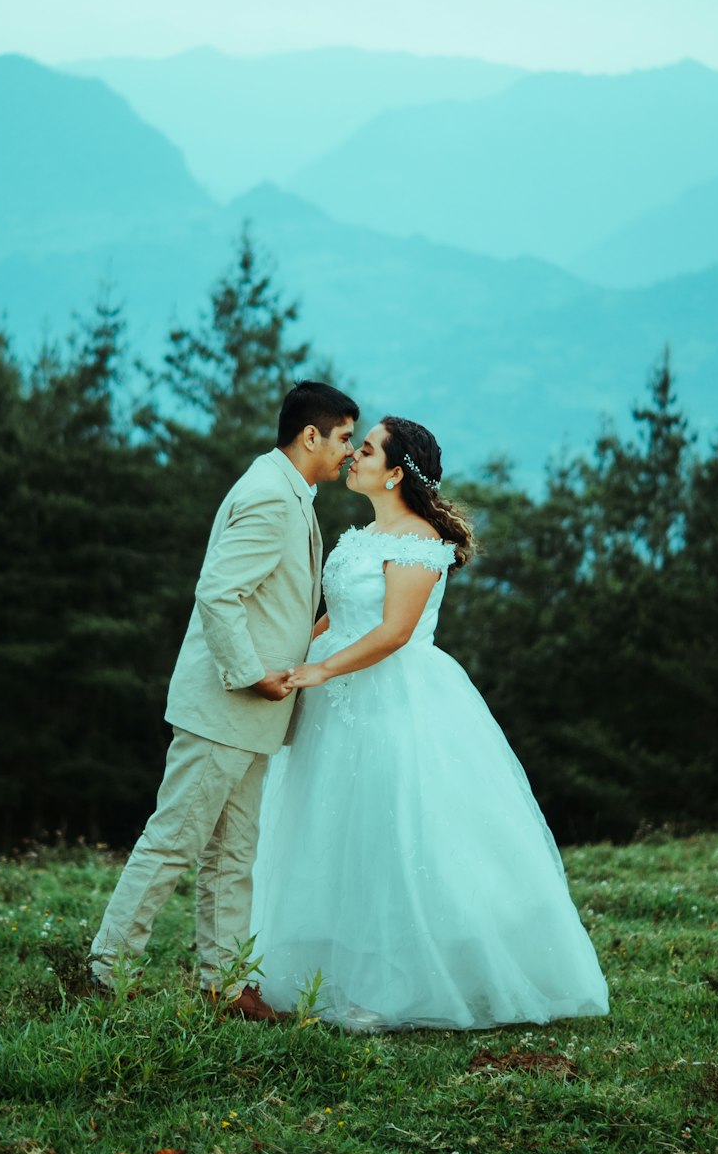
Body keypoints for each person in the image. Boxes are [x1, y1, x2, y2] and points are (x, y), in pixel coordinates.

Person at [250, 415, 609, 1031]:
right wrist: (293, 658)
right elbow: (336, 619)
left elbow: (393, 634)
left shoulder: (418, 543)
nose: (351, 457)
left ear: (394, 473)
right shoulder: (358, 538)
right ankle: (323, 976)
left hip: (396, 703)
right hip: (335, 705)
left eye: (365, 450)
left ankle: (401, 984)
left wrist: (322, 671)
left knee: (394, 836)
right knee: (331, 832)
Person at [89, 381, 359, 1018]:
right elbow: (217, 593)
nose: (350, 450)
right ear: (311, 435)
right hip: (227, 704)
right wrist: (253, 675)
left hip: (255, 714)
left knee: (235, 853)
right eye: (345, 437)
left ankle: (227, 984)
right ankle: (108, 970)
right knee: (176, 840)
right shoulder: (270, 495)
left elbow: (275, 599)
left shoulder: (292, 489)